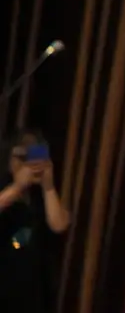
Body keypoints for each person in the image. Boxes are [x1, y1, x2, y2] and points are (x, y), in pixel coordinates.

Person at [0, 129, 71, 313]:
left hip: (33, 290)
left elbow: (59, 225)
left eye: (33, 155)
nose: (28, 164)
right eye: (21, 156)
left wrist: (48, 187)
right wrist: (17, 187)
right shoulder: (4, 190)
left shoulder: (40, 198)